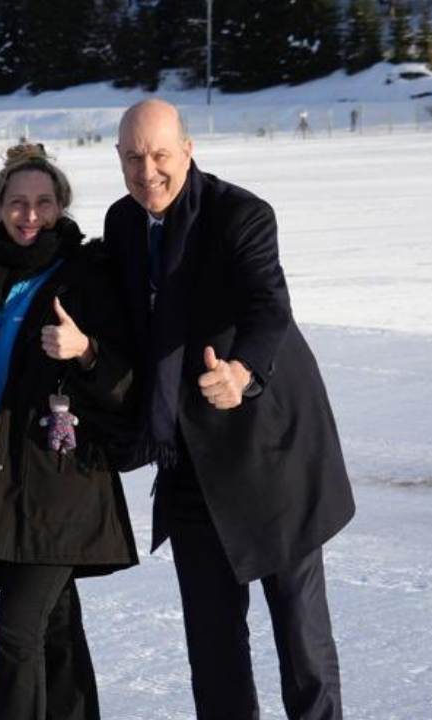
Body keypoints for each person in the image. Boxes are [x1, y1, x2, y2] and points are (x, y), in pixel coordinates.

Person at [105, 98, 355, 719]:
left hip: (269, 454)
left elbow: (270, 307)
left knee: (302, 644)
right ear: (118, 159)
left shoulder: (240, 215)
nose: (148, 172)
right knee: (213, 651)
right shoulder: (121, 224)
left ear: (188, 150)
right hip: (188, 459)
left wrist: (243, 371)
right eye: (134, 158)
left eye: (161, 155)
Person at [0, 145, 138, 720]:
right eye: (18, 203)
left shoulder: (89, 277)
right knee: (54, 632)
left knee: (17, 632)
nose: (31, 216)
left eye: (44, 204)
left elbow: (131, 382)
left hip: (61, 487)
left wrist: (87, 351)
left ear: (61, 207)